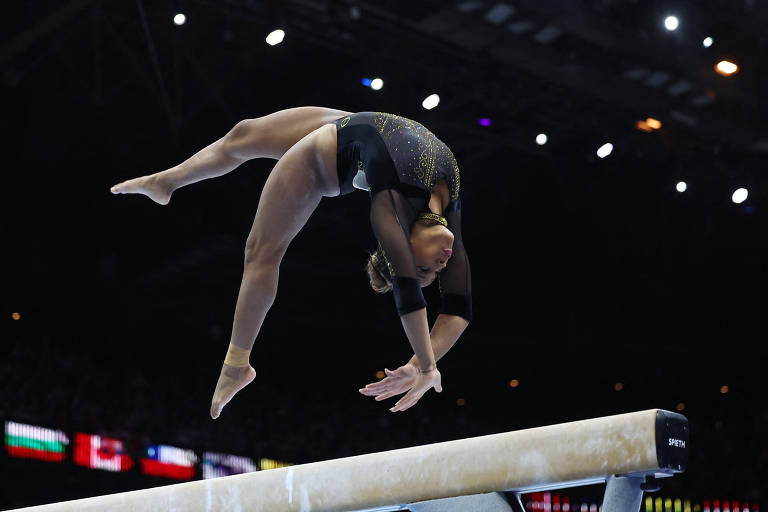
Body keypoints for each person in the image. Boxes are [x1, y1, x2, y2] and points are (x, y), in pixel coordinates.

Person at [110, 107, 472, 419]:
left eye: (425, 269)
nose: (441, 266)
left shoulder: (389, 210)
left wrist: (423, 366)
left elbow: (410, 296)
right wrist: (419, 365)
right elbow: (459, 310)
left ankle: (237, 365)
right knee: (243, 134)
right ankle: (166, 183)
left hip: (322, 158)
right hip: (355, 128)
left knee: (261, 252)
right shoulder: (448, 211)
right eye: (432, 273)